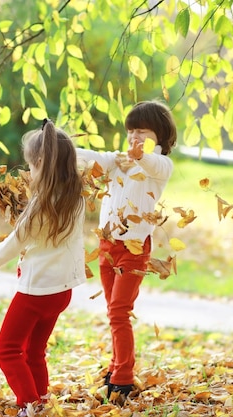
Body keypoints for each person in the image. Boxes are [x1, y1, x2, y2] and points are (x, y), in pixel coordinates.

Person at [0, 118, 87, 416]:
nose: (28, 173)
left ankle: (29, 405)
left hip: (36, 293)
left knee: (6, 349)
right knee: (34, 351)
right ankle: (41, 401)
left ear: (43, 163)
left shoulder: (40, 206)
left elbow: (13, 244)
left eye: (31, 166)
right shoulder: (75, 198)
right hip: (62, 292)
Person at [76, 99, 177, 405]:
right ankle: (115, 366)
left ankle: (123, 377)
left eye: (142, 131)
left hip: (133, 250)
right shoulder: (117, 160)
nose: (134, 137)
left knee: (120, 311)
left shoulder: (160, 165)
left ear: (158, 135)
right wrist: (58, 145)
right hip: (107, 246)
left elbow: (150, 162)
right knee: (113, 312)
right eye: (131, 131)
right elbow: (89, 157)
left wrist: (137, 155)